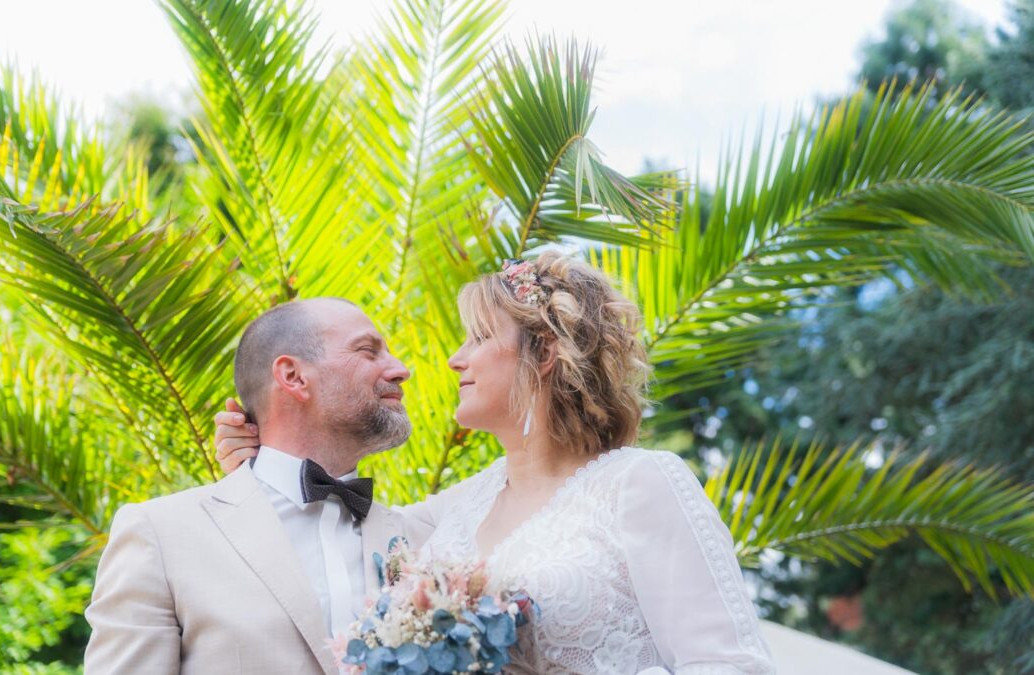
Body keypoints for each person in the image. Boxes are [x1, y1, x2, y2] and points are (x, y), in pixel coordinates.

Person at [215, 255, 775, 674]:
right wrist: (262, 461)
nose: (455, 358)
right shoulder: (454, 511)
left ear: (546, 351)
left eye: (479, 337)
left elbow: (731, 664)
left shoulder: (641, 483)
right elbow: (329, 515)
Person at [85, 298, 429, 673]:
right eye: (368, 351)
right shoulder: (161, 534)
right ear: (293, 376)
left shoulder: (427, 538)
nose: (400, 369)